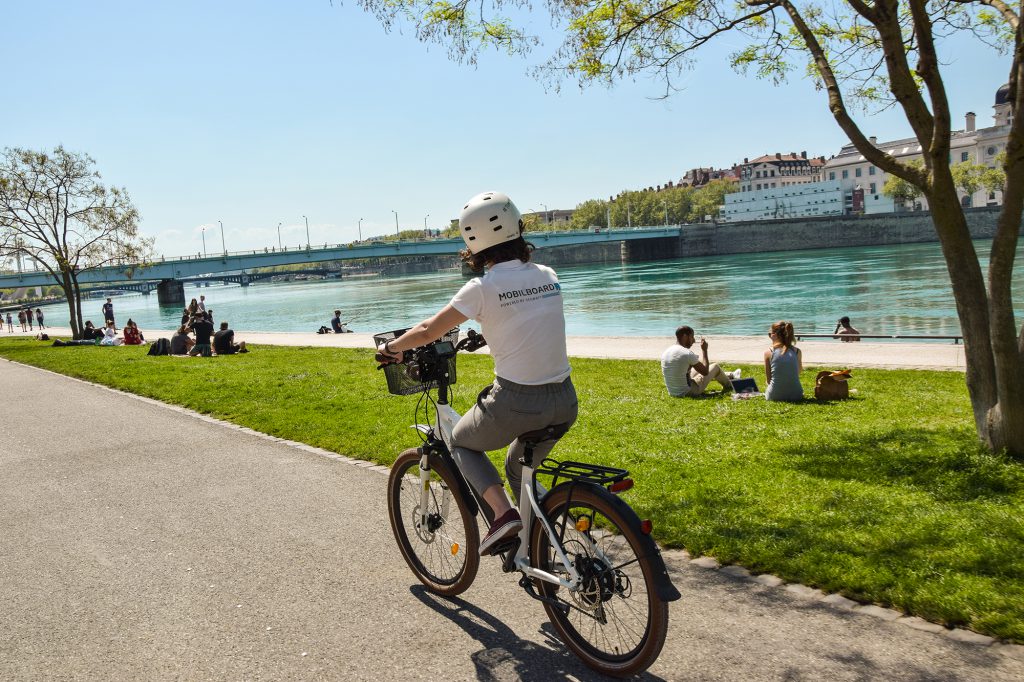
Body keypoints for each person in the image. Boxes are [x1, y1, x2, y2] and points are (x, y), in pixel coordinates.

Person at [376, 191, 577, 557]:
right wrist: (490, 332)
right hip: (564, 399)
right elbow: (528, 318)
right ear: (518, 228)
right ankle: (544, 545)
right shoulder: (548, 275)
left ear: (473, 244)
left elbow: (428, 330)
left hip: (517, 402)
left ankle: (503, 516)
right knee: (517, 469)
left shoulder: (482, 288)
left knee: (460, 441)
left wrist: (392, 347)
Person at [660, 325, 741, 397]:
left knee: (699, 365)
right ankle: (730, 385)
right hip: (688, 392)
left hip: (673, 392)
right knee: (715, 367)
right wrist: (704, 350)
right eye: (692, 337)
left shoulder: (667, 351)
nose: (694, 340)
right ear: (685, 336)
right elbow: (705, 372)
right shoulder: (686, 353)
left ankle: (731, 375)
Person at [763, 321, 804, 402]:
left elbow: (768, 380)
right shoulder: (797, 351)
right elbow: (798, 371)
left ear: (775, 335)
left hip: (774, 396)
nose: (770, 336)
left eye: (770, 334)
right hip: (797, 395)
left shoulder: (768, 353)